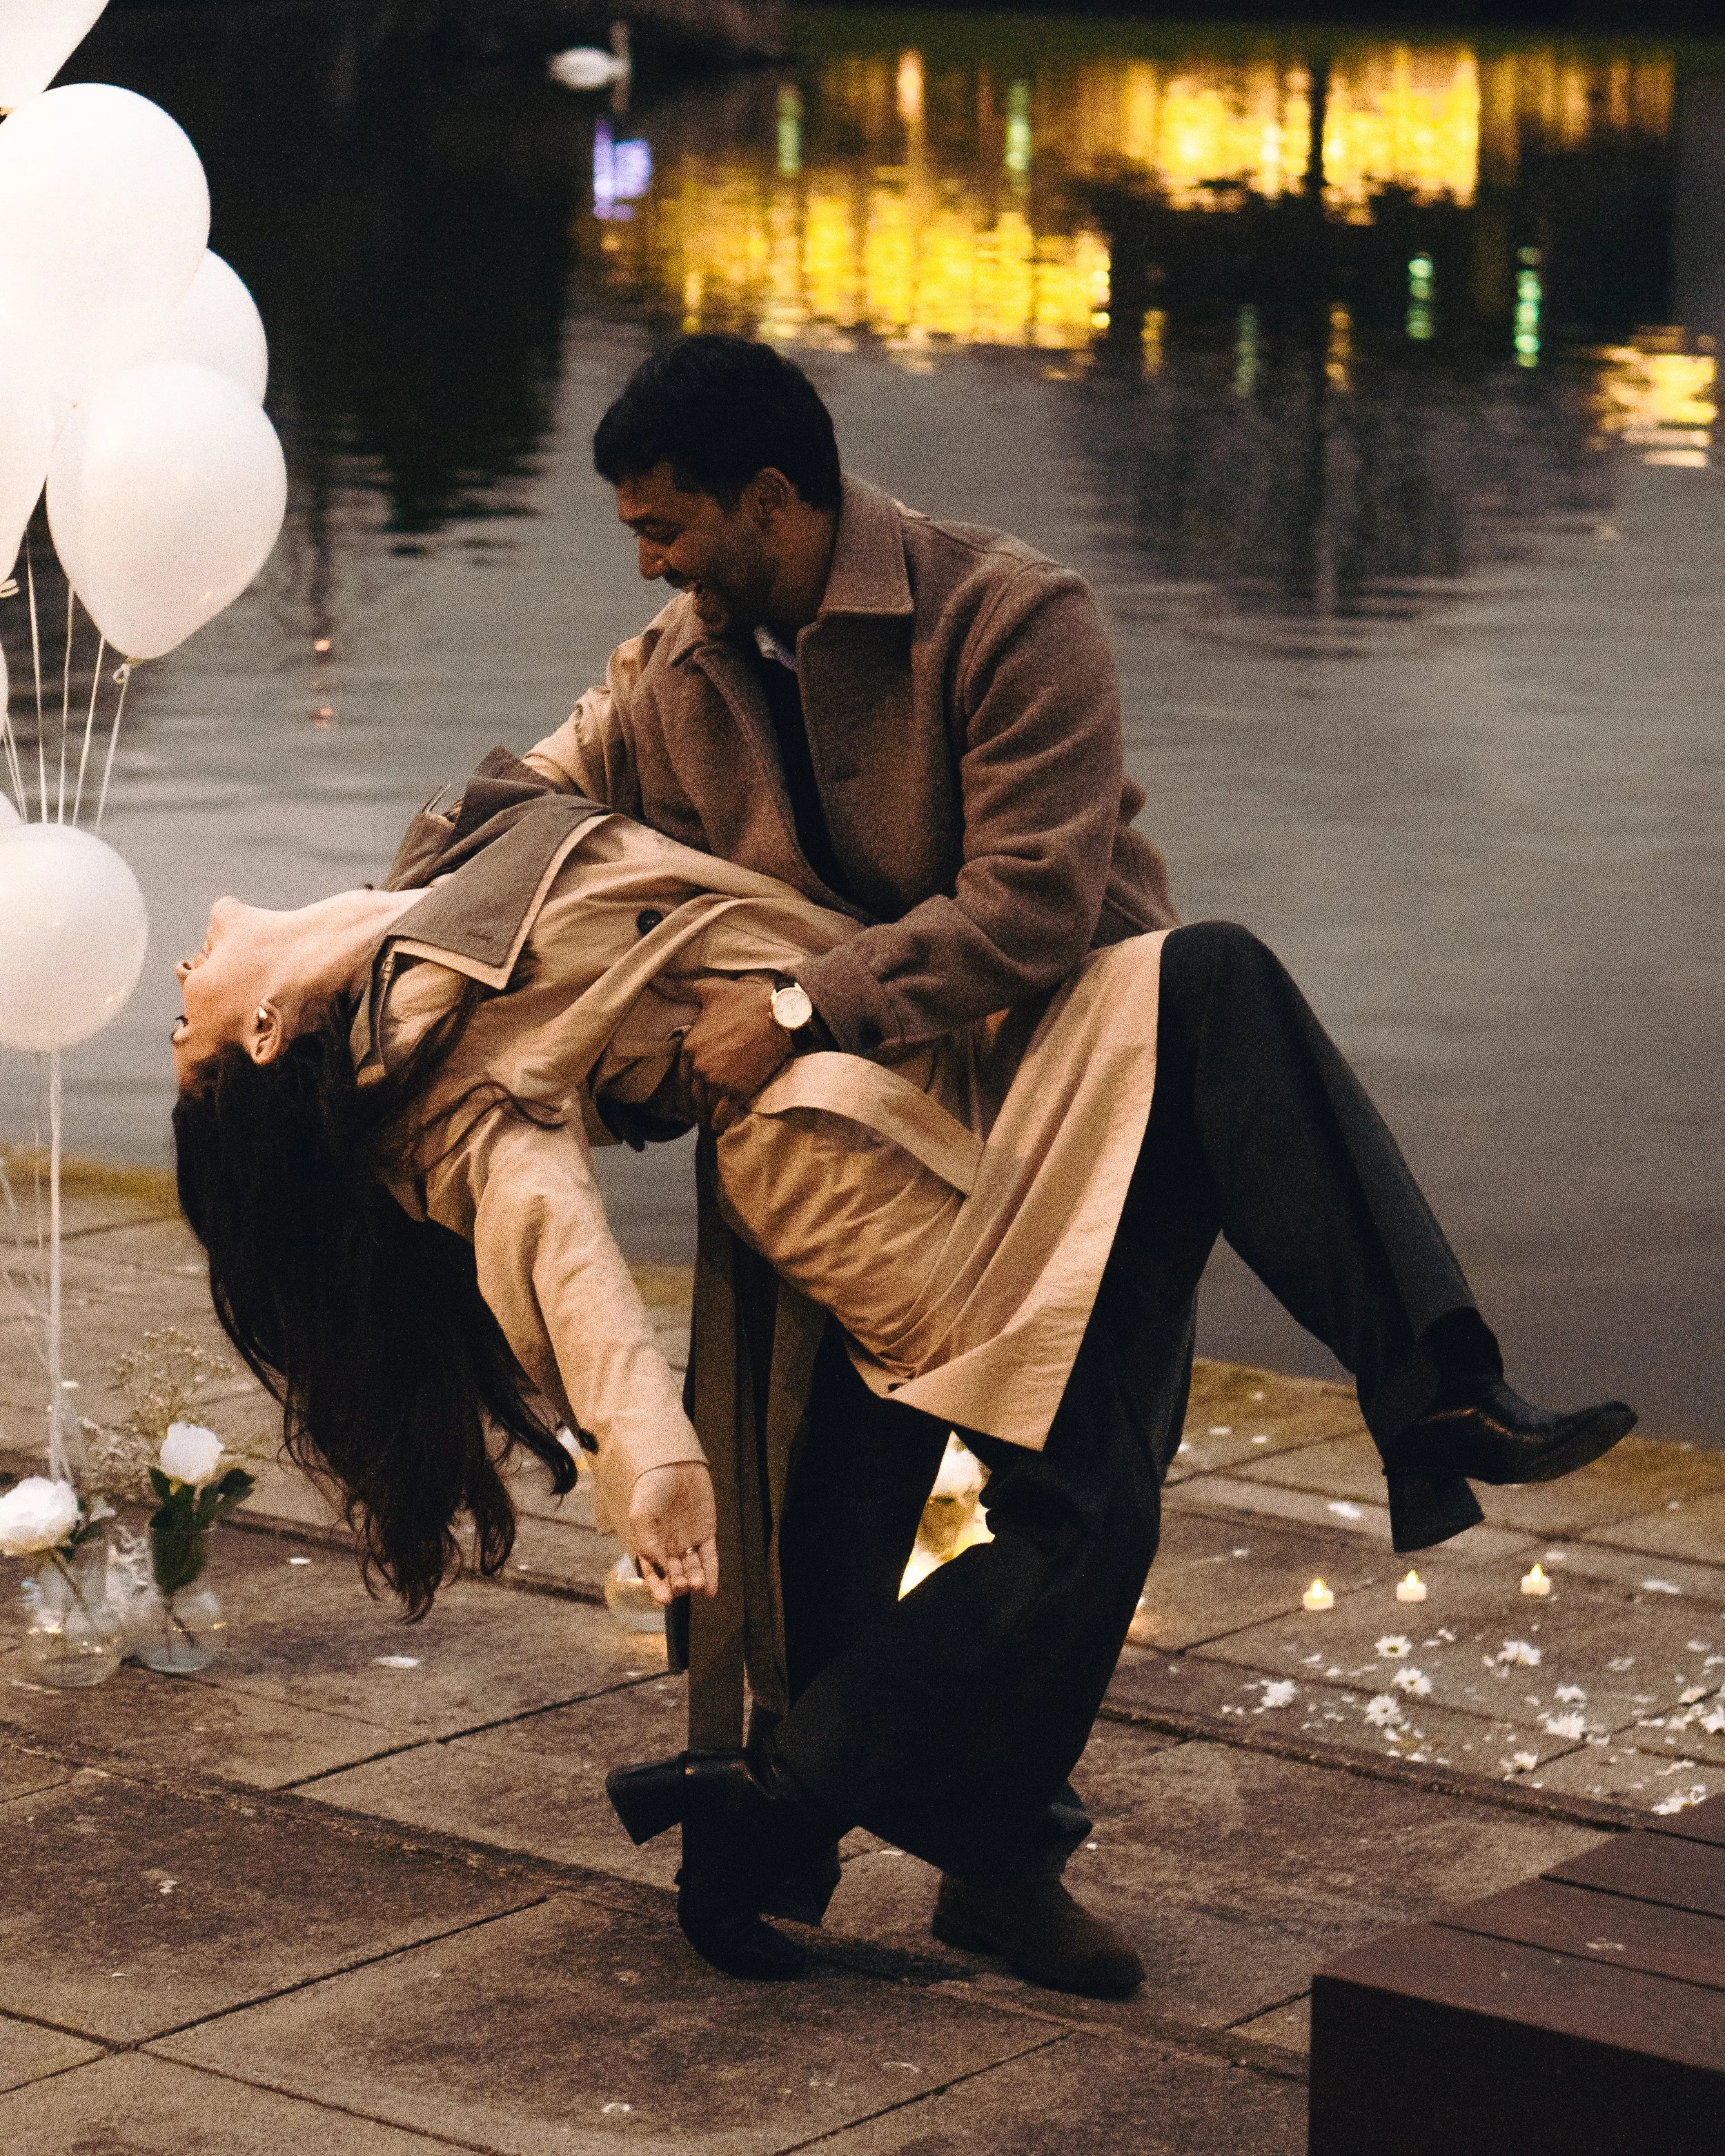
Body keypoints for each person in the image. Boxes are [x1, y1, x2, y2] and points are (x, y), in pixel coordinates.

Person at [170, 754, 1635, 1993]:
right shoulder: (412, 1082)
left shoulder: (452, 846)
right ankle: (830, 1808)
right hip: (856, 1160)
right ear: (262, 1030)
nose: (177, 971)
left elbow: (633, 712)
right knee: (1070, 1502)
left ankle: (1433, 1391)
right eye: (183, 1024)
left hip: (957, 1057)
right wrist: (650, 1454)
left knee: (1213, 986)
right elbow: (547, 1239)